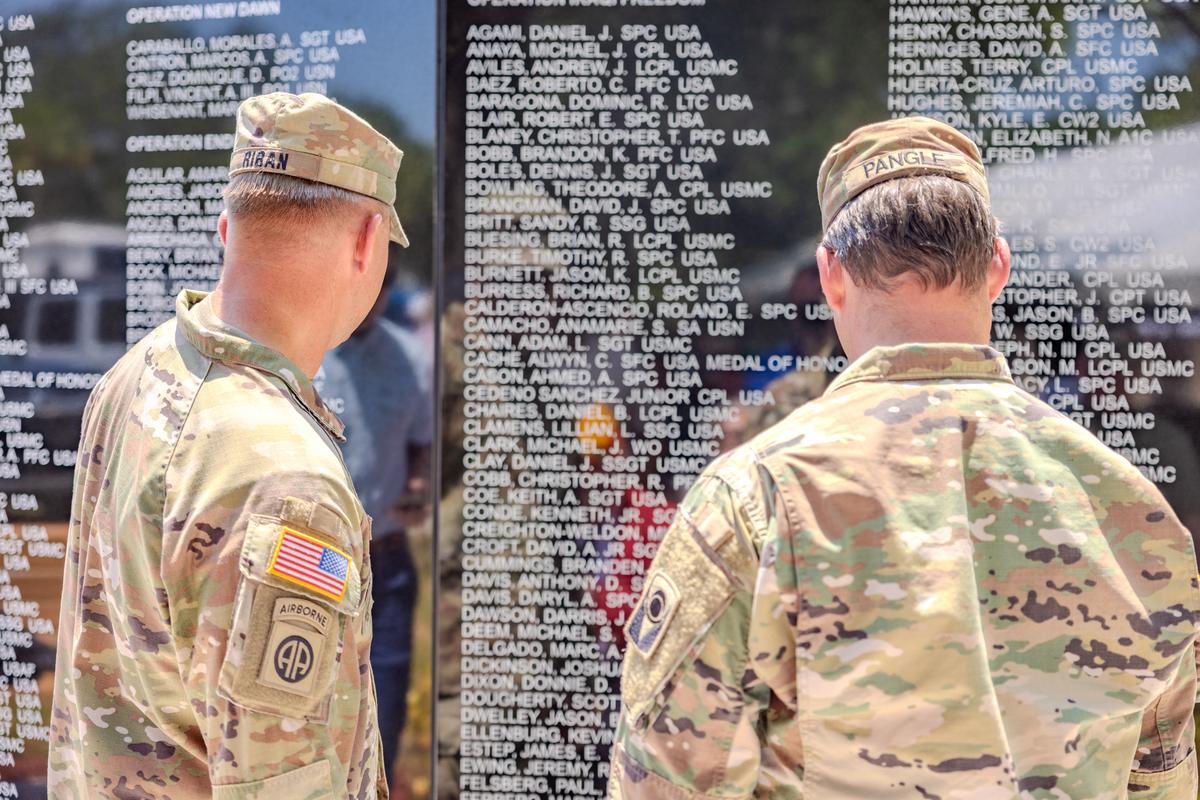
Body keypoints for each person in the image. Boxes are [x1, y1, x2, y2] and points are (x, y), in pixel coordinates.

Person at [608, 117, 1200, 799]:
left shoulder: (755, 500)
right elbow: (1163, 781)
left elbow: (668, 782)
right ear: (998, 268)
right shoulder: (1130, 509)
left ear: (831, 276)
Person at [48, 92, 410, 799]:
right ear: (367, 243)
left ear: (225, 229)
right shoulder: (287, 480)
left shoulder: (135, 376)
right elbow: (283, 780)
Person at [319, 257, 433, 791]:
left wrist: (416, 489)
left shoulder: (413, 360)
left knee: (383, 716)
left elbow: (421, 451)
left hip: (384, 560)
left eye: (383, 287)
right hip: (316, 556)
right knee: (311, 711)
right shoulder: (307, 349)